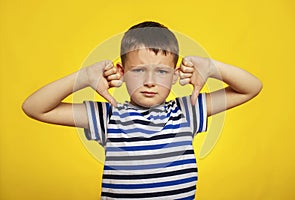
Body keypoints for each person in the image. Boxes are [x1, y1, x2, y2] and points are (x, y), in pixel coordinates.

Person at [22, 21, 262, 199]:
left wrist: (211, 67)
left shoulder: (188, 110)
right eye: (138, 70)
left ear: (176, 74)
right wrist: (83, 77)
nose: (149, 81)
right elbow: (34, 108)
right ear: (122, 72)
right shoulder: (109, 116)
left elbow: (251, 88)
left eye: (161, 71)